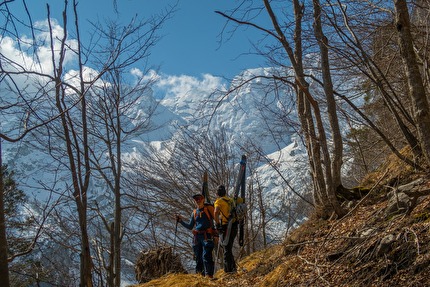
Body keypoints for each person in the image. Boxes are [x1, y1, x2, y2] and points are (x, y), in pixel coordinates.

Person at [176, 194, 215, 278]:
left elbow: (216, 219)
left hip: (206, 235)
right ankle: (199, 276)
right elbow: (190, 226)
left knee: (207, 255)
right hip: (197, 237)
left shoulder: (208, 209)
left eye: (199, 199)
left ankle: (209, 275)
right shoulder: (194, 212)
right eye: (196, 199)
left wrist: (216, 232)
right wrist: (180, 221)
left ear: (203, 199)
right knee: (198, 258)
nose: (198, 201)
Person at [214, 185, 237, 273]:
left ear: (217, 193)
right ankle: (233, 268)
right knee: (229, 247)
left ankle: (228, 271)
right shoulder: (231, 200)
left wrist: (217, 225)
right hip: (234, 226)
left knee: (226, 248)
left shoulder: (218, 202)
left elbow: (216, 212)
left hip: (225, 227)